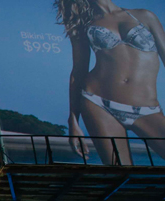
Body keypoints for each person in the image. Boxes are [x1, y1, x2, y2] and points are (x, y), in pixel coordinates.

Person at [57, 0, 165, 164]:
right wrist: (73, 120)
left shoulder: (144, 16)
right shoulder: (82, 24)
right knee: (121, 175)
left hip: (147, 108)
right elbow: (78, 71)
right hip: (98, 103)